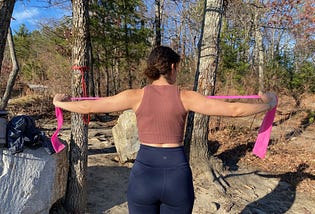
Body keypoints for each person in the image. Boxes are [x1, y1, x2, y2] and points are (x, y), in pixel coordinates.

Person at [53, 46, 277, 214]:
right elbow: (235, 110)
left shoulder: (135, 95)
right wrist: (268, 103)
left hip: (143, 177)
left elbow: (89, 106)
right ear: (172, 67)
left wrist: (60, 103)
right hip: (176, 177)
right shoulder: (186, 96)